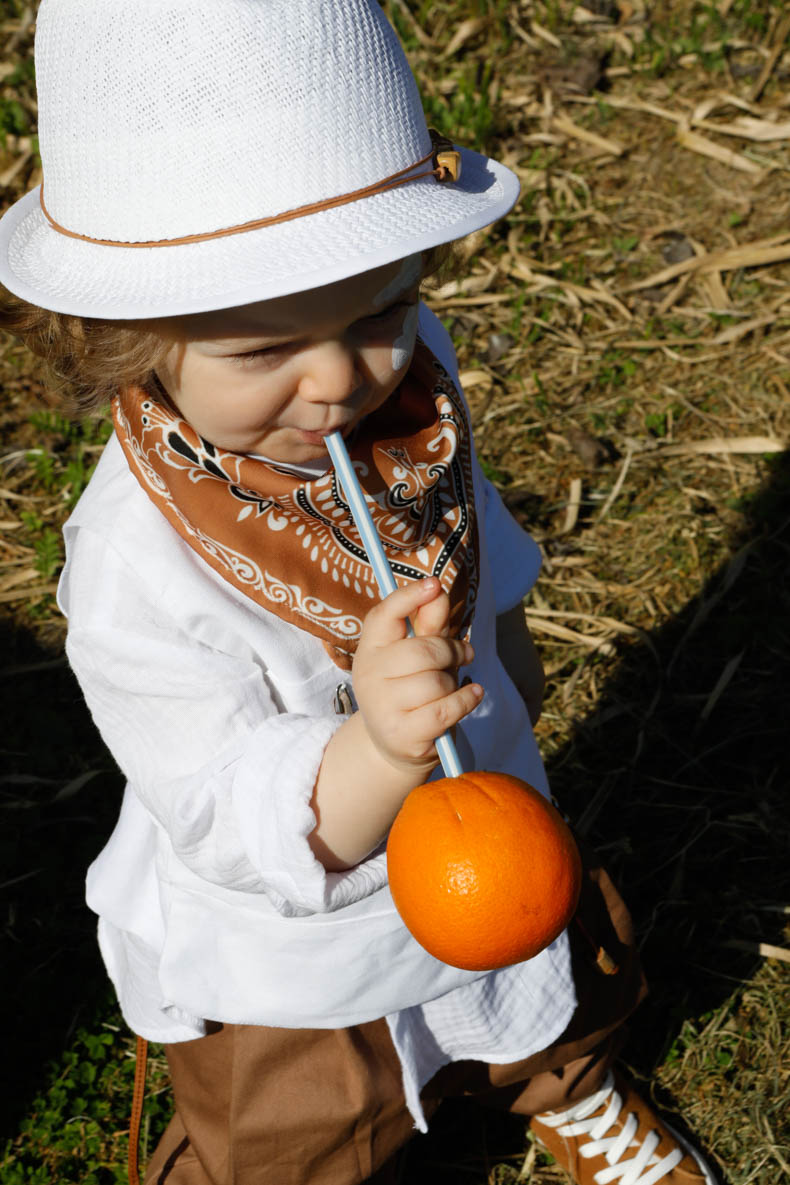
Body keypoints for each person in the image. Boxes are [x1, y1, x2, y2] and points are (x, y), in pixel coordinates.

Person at [0, 2, 718, 1183]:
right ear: (129, 340)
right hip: (304, 953)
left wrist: (509, 637)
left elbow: (471, 525)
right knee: (305, 1132)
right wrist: (379, 753)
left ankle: (566, 1089)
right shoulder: (135, 562)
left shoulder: (406, 408)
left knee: (538, 986)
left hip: (491, 832)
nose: (338, 379)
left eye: (378, 309)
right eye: (258, 352)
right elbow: (225, 812)